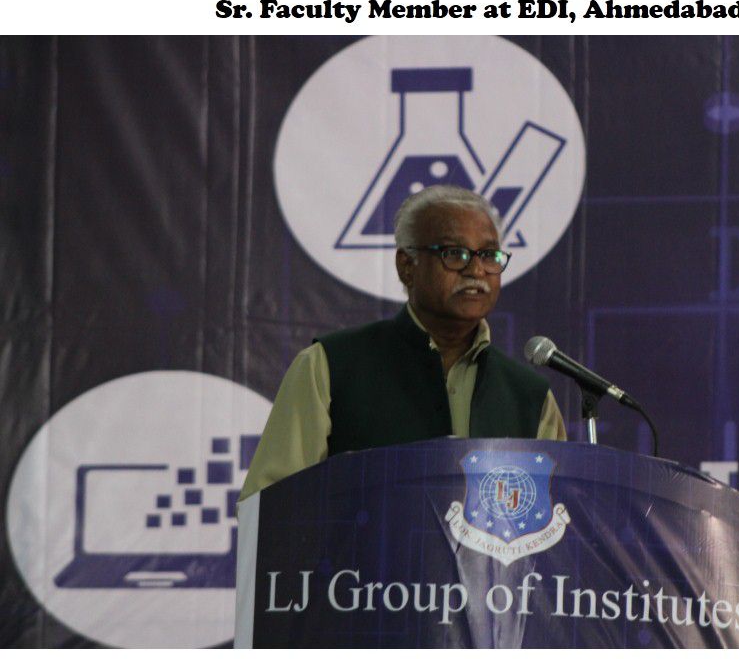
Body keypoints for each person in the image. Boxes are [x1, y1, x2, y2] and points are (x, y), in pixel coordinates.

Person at [239, 185, 565, 500]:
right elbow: (271, 504)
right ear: (407, 266)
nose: (476, 269)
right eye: (455, 253)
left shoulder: (530, 397)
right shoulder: (329, 367)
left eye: (489, 255)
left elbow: (559, 514)